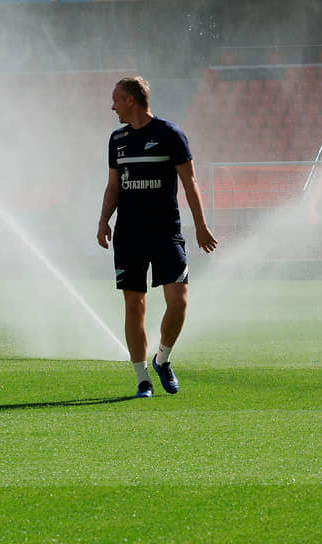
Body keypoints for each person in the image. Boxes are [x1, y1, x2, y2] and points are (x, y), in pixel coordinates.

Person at [97, 76, 218, 398]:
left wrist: (201, 226)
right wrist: (103, 220)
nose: (112, 106)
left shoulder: (170, 134)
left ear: (131, 100)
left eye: (116, 100)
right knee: (134, 305)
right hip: (129, 235)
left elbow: (190, 183)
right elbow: (113, 186)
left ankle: (162, 359)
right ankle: (142, 380)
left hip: (166, 232)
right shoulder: (117, 139)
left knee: (179, 302)